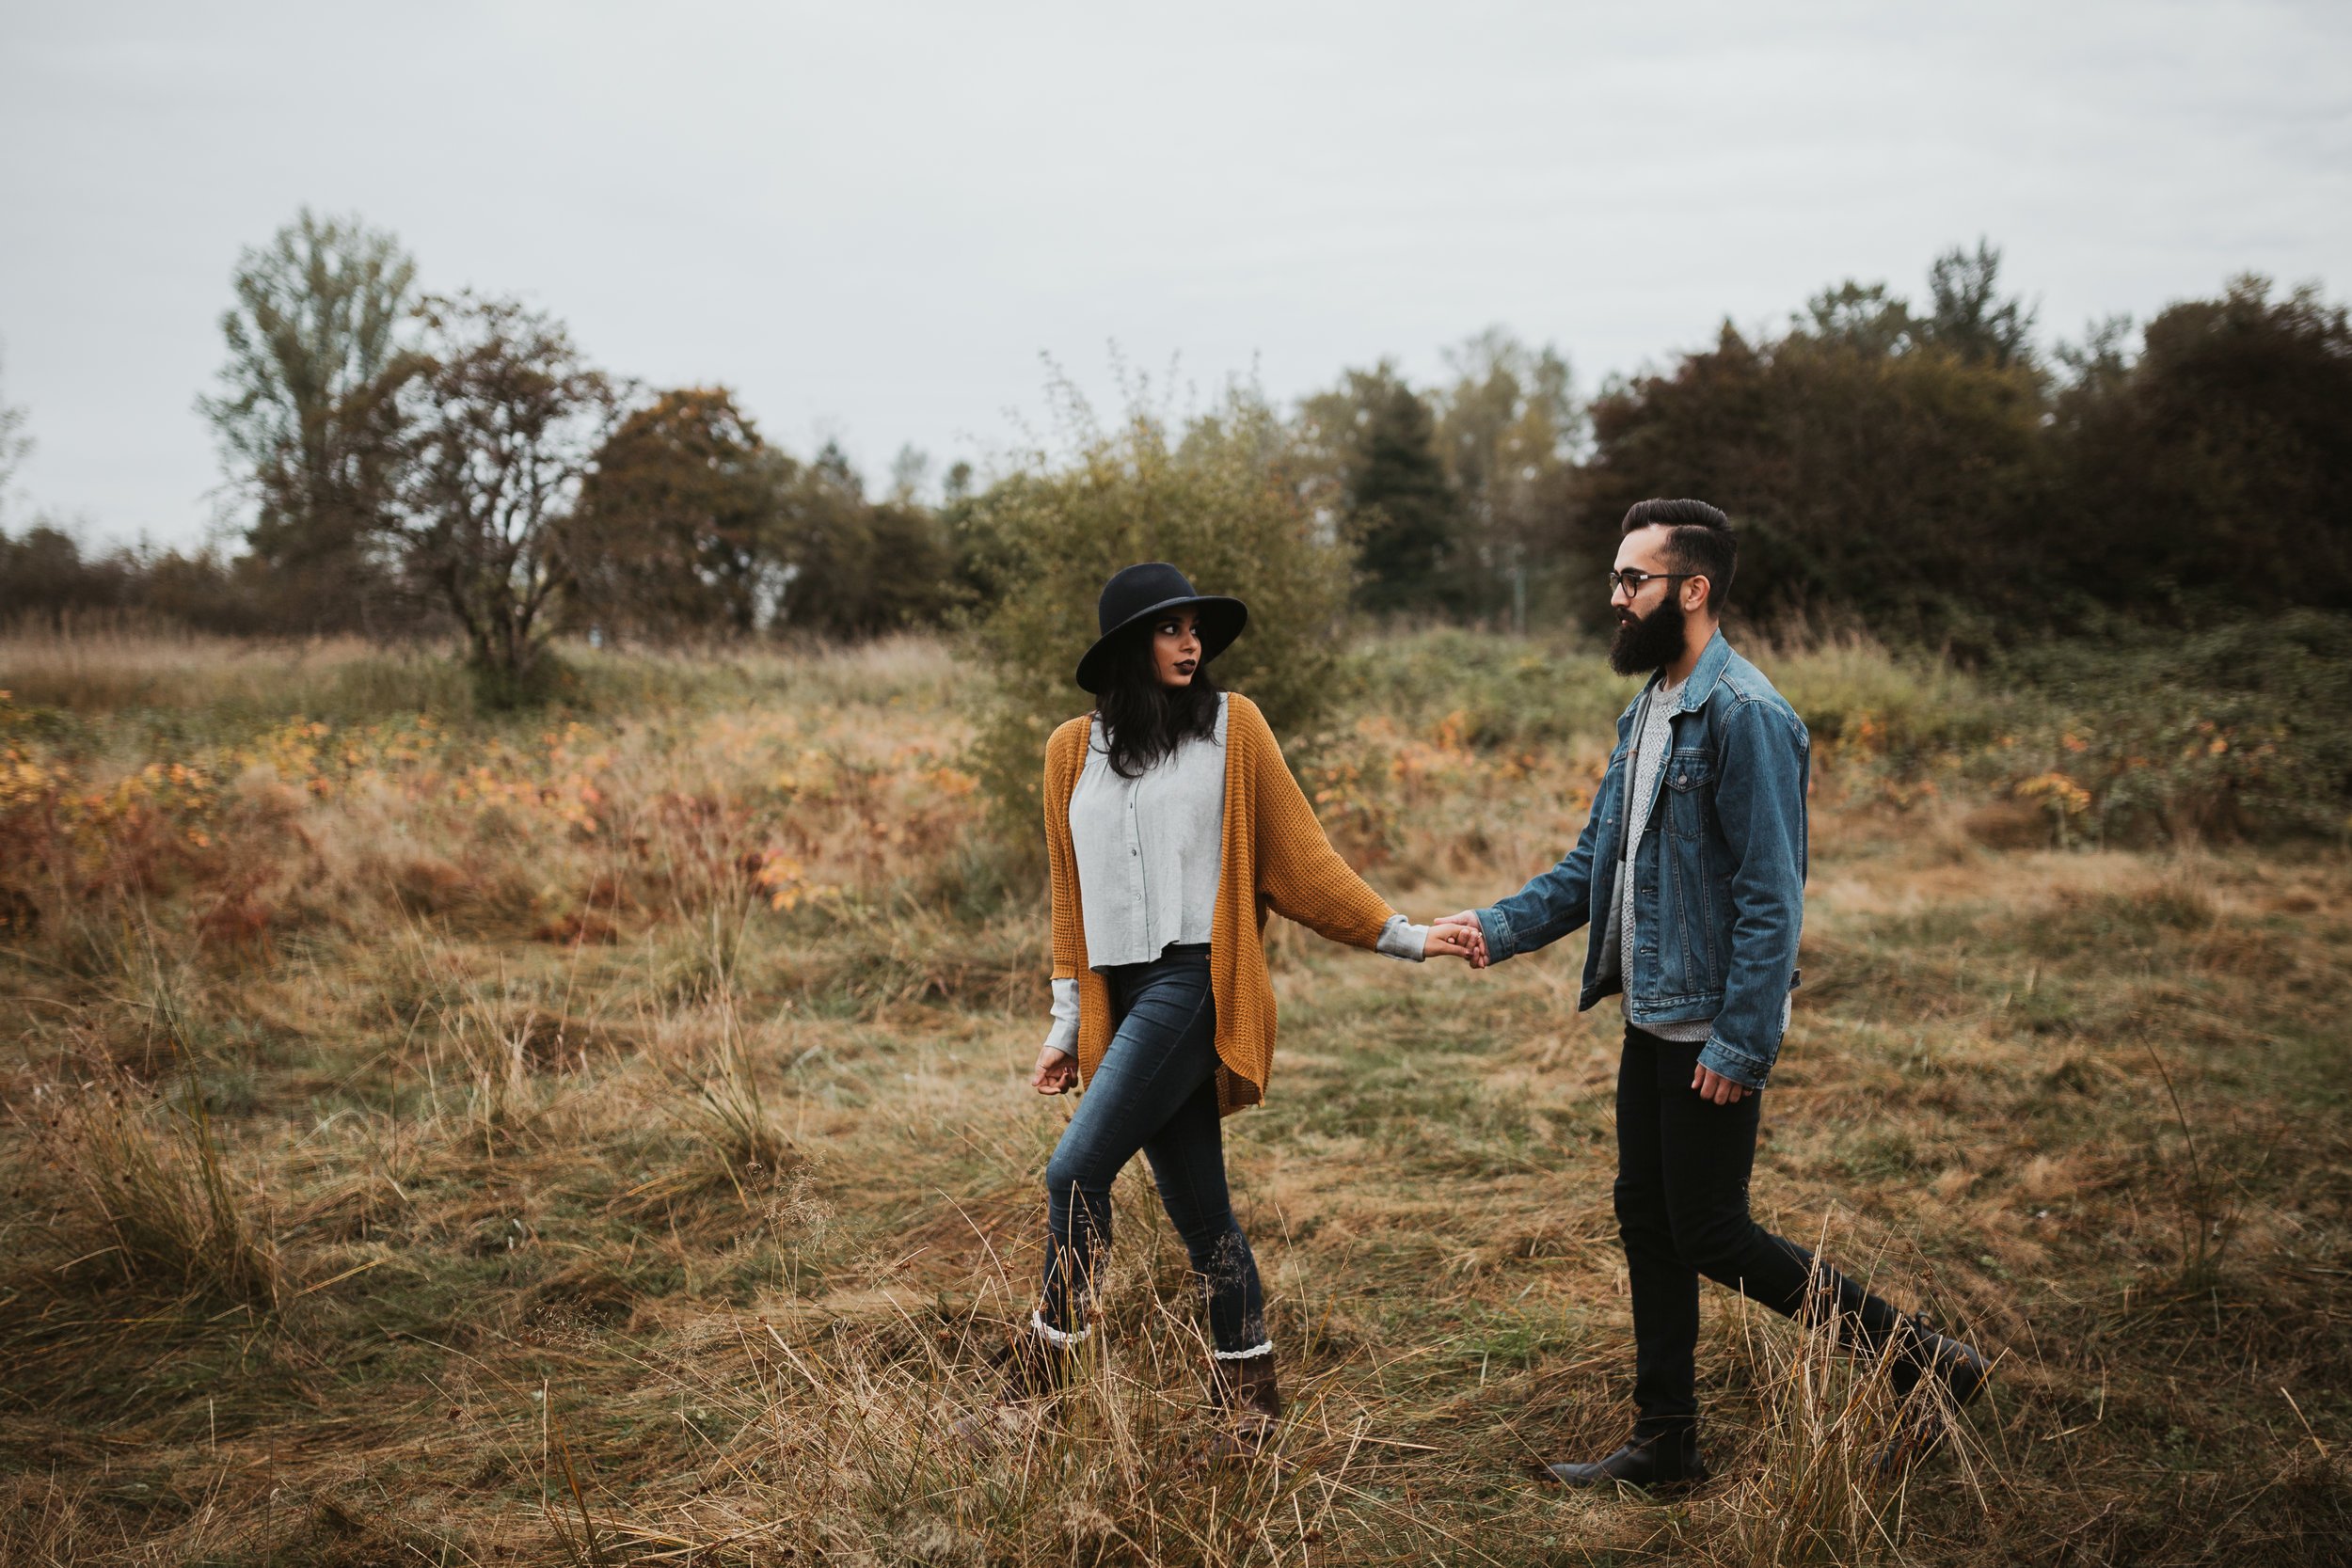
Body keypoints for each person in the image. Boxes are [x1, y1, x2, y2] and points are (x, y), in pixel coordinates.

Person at [1435, 499, 1990, 1490]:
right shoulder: (1648, 706)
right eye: (1615, 578)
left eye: (1631, 580)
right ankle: (1665, 1444)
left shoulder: (1745, 715)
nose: (1614, 597)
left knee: (1713, 1231)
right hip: (1651, 1015)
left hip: (1705, 1030)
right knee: (1646, 1219)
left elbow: (1772, 898)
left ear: (1691, 590)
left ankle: (1926, 1360)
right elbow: (1591, 864)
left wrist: (1738, 1044)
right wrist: (1497, 924)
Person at [961, 562, 1478, 1455]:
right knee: (1203, 1213)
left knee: (1072, 1173)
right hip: (1117, 1000)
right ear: (1128, 644)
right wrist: (1065, 1028)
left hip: (1195, 983)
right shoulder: (1065, 752)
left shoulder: (1233, 731)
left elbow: (1302, 861)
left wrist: (1406, 934)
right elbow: (1068, 899)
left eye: (1196, 627)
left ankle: (1033, 1400)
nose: (1190, 642)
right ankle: (1251, 1405)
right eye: (1170, 628)